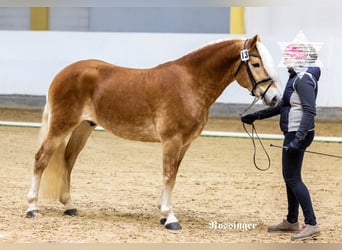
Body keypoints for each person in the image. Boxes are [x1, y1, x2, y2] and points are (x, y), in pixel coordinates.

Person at [241, 42, 321, 240]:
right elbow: (283, 106)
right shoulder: (295, 78)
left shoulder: (303, 80)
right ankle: (292, 220)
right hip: (293, 132)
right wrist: (256, 116)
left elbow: (310, 111)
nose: (284, 61)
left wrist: (298, 139)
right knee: (290, 177)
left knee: (293, 178)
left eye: (288, 57)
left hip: (297, 133)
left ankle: (311, 223)